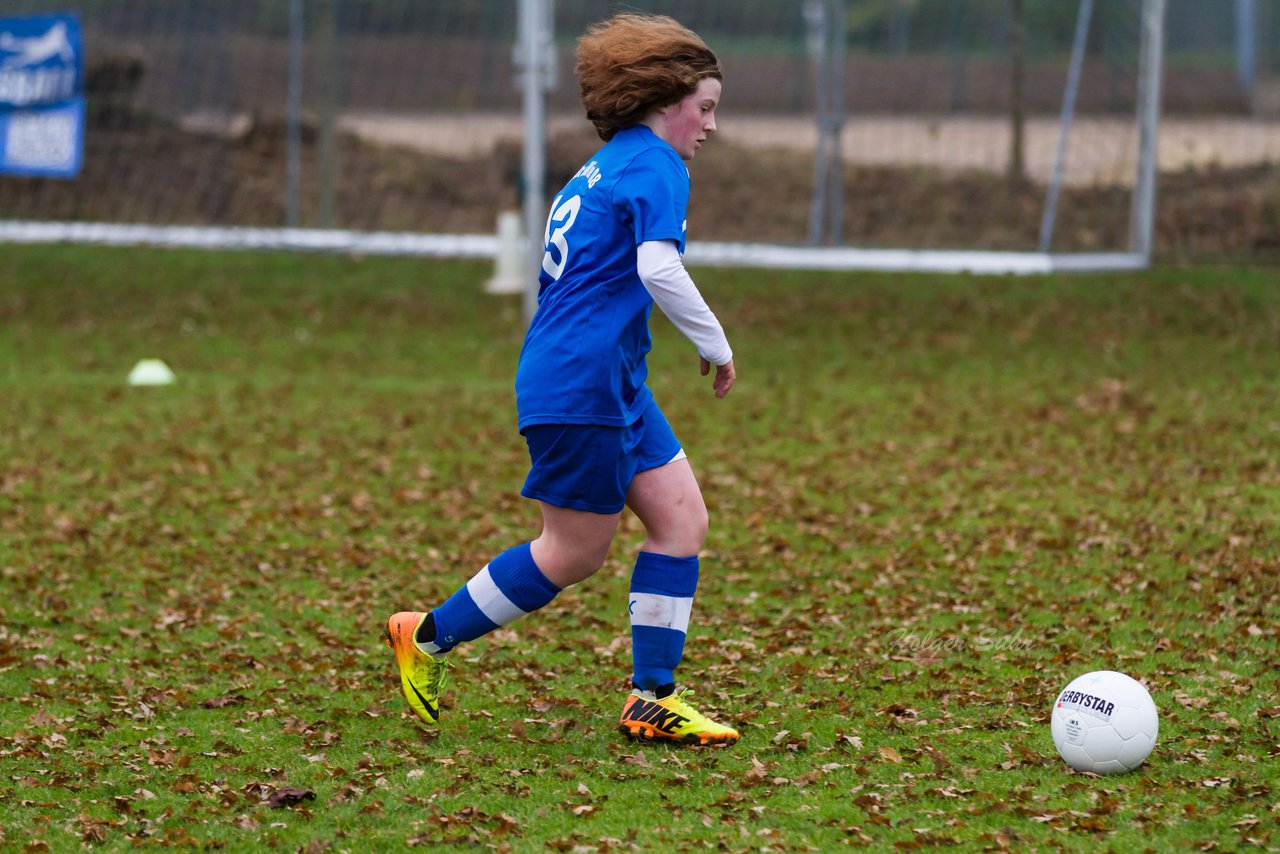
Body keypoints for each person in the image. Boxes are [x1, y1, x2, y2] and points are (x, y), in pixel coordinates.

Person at [385, 13, 738, 746]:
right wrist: (716, 342)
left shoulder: (610, 162)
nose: (709, 126)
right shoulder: (655, 165)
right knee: (574, 551)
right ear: (666, 98)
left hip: (611, 379)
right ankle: (426, 636)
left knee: (681, 523)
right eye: (704, 107)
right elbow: (657, 267)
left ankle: (652, 698)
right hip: (579, 383)